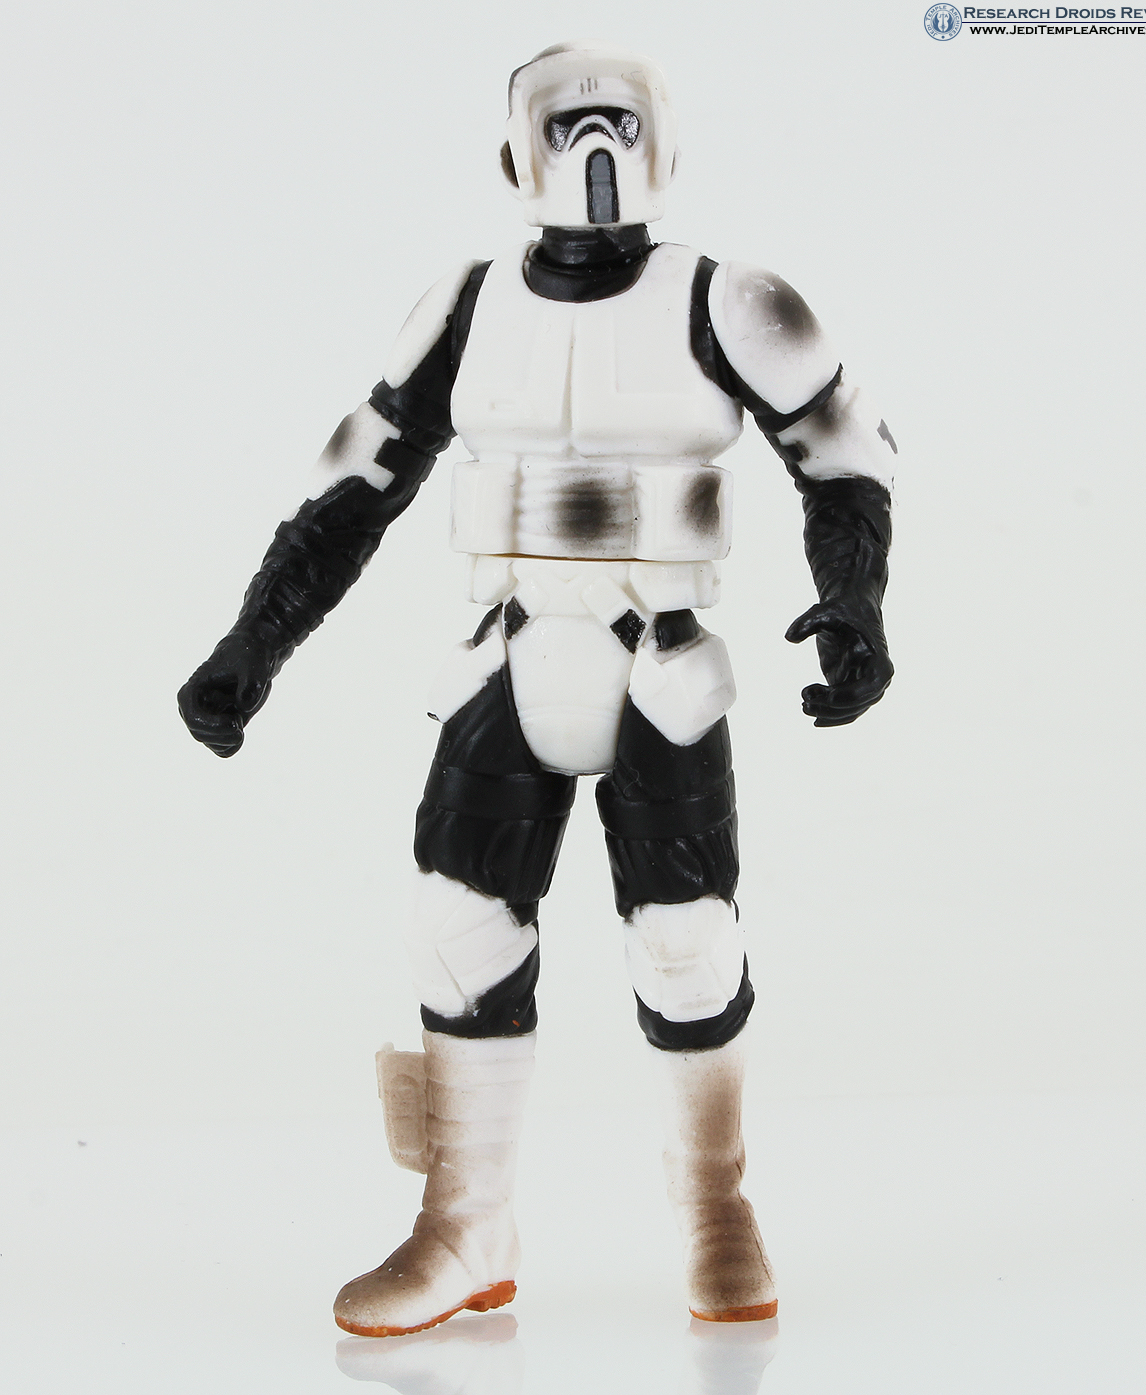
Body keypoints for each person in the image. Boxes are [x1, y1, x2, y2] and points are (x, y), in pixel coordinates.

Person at [178, 41, 896, 1336]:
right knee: (455, 932)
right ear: (514, 154)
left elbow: (844, 457)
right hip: (505, 658)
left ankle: (717, 1208)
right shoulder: (466, 308)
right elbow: (360, 483)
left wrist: (855, 600)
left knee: (688, 945)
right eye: (568, 126)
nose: (596, 150)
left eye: (622, 123)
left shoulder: (729, 303)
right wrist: (254, 641)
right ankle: (465, 1225)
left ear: (667, 146)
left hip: (660, 664)